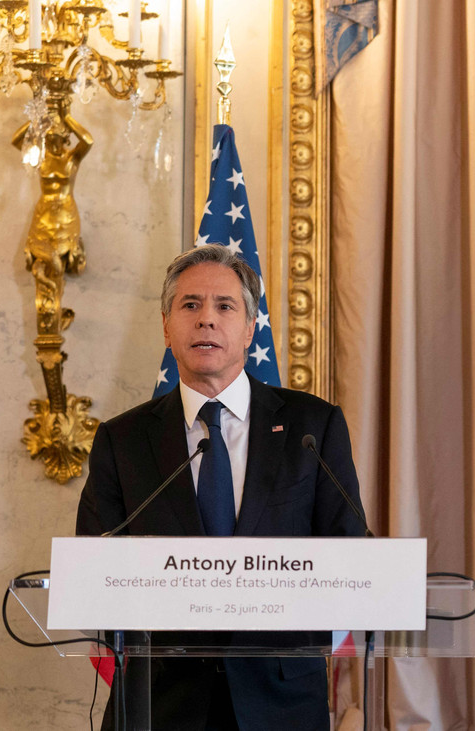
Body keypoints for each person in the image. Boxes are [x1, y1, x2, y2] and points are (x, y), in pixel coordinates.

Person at [76, 244, 366, 731]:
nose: (206, 319)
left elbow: (350, 554)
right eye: (190, 305)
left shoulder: (312, 427)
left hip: (281, 701)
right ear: (167, 327)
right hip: (159, 703)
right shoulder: (122, 439)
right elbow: (92, 564)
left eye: (225, 306)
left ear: (251, 328)